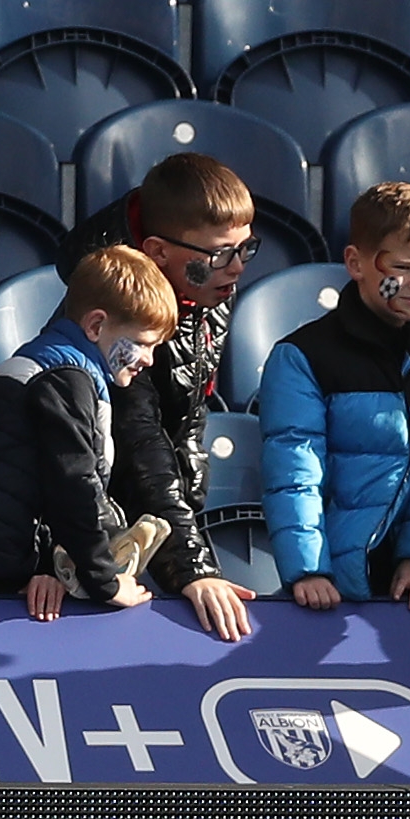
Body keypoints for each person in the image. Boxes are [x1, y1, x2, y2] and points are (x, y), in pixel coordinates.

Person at [0, 245, 176, 617]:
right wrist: (104, 580)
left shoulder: (46, 363)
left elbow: (28, 480)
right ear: (97, 325)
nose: (148, 360)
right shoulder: (68, 381)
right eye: (142, 344)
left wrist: (47, 569)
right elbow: (73, 485)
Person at [56, 152, 259, 641]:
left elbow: (187, 416)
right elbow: (138, 437)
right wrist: (192, 567)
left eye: (245, 249)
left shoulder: (208, 288)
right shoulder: (116, 314)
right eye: (218, 255)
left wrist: (178, 530)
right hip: (80, 525)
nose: (234, 269)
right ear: (157, 252)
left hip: (146, 513)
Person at [256, 182, 410, 615]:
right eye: (402, 267)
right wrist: (309, 569)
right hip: (331, 581)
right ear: (356, 263)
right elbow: (295, 470)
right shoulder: (302, 357)